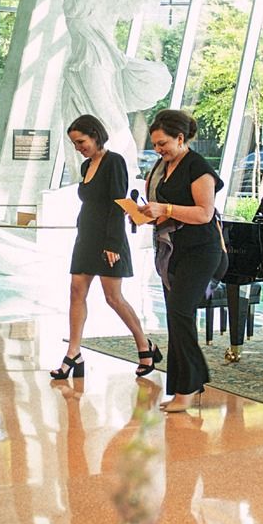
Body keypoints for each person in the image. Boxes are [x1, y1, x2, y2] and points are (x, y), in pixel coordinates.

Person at [50, 114, 158, 381]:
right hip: (85, 237)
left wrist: (112, 243)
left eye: (81, 141)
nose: (78, 147)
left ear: (95, 135)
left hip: (109, 238)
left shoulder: (115, 162)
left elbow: (117, 203)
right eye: (75, 144)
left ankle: (144, 346)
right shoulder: (87, 166)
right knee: (76, 291)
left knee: (113, 298)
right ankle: (73, 353)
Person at [141, 109, 225, 414]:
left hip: (201, 252)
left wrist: (164, 208)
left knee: (180, 314)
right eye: (155, 144)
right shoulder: (163, 166)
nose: (158, 149)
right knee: (176, 318)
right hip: (173, 251)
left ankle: (188, 387)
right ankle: (186, 386)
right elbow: (166, 209)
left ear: (180, 138)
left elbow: (204, 213)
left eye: (163, 143)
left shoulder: (198, 167)